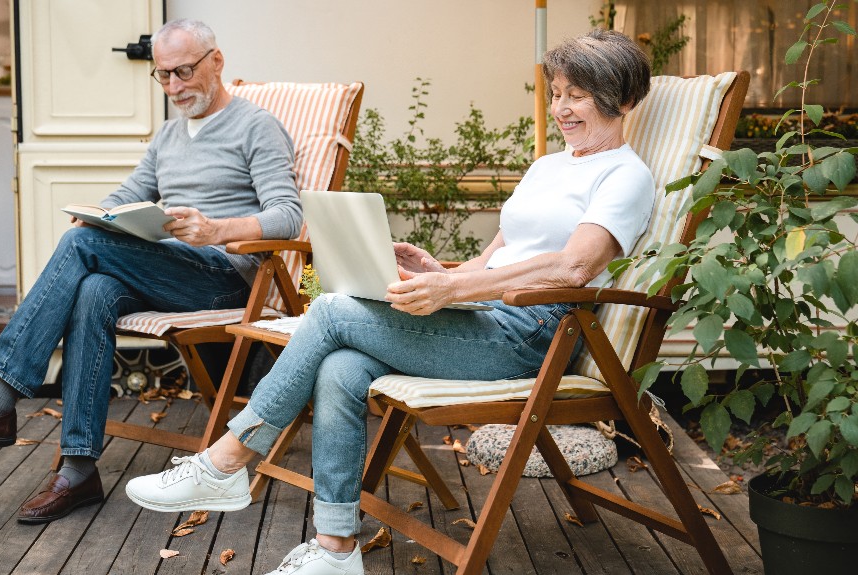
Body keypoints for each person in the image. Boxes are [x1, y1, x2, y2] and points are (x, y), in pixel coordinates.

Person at [124, 27, 656, 575]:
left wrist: (452, 290)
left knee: (329, 311)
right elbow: (497, 257)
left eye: (578, 95)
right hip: (485, 316)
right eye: (557, 92)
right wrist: (440, 271)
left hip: (532, 335)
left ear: (623, 99)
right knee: (342, 366)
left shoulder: (626, 175)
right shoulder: (549, 166)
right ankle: (336, 548)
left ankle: (227, 460)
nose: (562, 108)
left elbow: (575, 266)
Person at [0, 19, 301, 524]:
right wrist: (100, 214)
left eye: (184, 72)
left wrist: (217, 229)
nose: (174, 87)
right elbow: (130, 191)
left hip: (225, 277)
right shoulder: (169, 135)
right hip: (170, 270)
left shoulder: (257, 126)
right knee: (94, 287)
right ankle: (78, 470)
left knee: (82, 247)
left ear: (216, 62)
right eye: (163, 76)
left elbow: (288, 215)